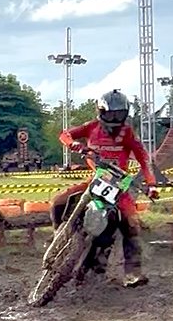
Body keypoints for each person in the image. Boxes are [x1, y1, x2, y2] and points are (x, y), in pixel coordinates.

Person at [50, 89, 158, 287]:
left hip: (120, 184)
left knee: (131, 225)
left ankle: (132, 273)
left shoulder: (128, 133)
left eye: (119, 114)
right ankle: (58, 235)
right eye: (111, 114)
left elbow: (143, 157)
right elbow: (65, 135)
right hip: (96, 178)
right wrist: (74, 144)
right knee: (59, 202)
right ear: (101, 111)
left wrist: (151, 184)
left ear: (125, 113)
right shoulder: (91, 127)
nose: (115, 119)